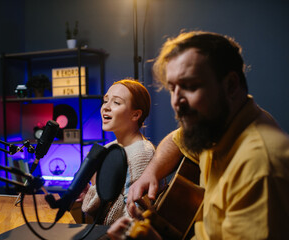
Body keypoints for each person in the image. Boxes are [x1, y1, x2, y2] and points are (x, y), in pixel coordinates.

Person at [107, 31, 289, 239]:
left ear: (231, 85)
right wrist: (151, 172)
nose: (177, 101)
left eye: (190, 86)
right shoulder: (214, 126)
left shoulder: (260, 167)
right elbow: (177, 140)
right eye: (172, 88)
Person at [81, 79, 155, 225]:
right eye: (105, 101)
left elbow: (134, 218)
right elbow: (101, 209)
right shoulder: (110, 148)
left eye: (116, 102)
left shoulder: (142, 153)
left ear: (135, 115)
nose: (106, 108)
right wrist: (89, 191)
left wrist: (97, 181)